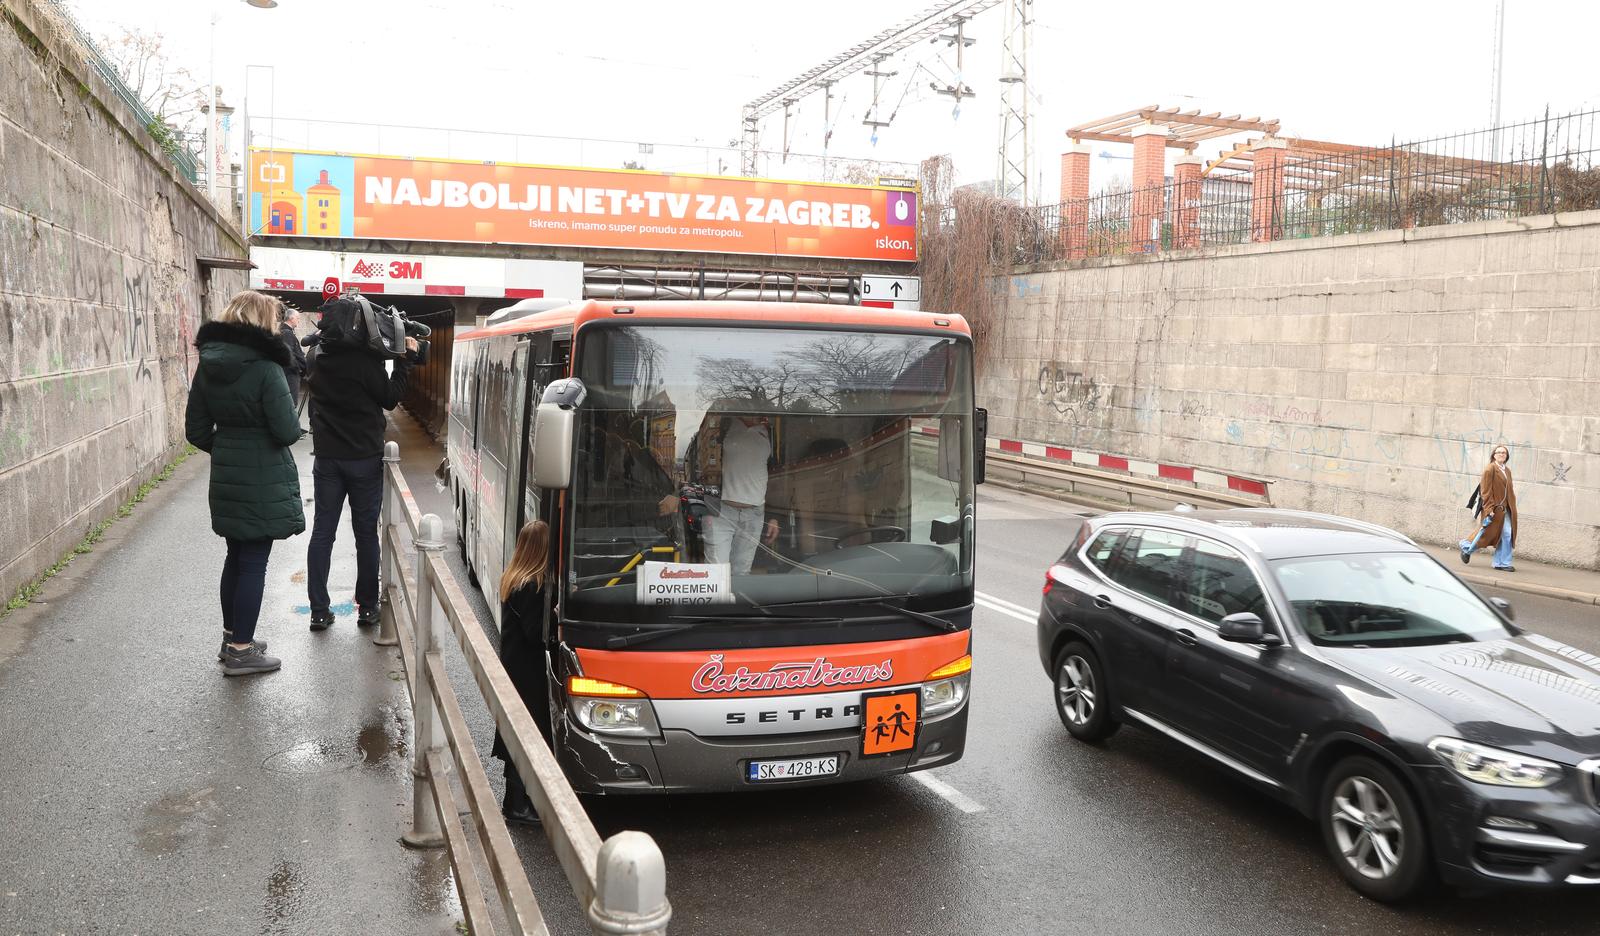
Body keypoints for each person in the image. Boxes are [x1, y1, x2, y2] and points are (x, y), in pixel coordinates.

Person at [185, 290, 305, 676]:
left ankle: (233, 636)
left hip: (227, 474)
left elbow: (196, 430)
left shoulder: (208, 365)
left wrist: (228, 448)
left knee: (236, 557)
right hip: (262, 477)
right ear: (262, 322)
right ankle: (241, 650)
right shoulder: (267, 370)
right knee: (254, 562)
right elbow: (287, 431)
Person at [304, 297, 418, 631]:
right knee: (365, 534)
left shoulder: (316, 359)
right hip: (364, 459)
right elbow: (390, 397)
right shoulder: (365, 363)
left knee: (323, 533)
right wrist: (404, 361)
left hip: (327, 458)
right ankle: (367, 608)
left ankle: (319, 611)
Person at [491, 520, 552, 826]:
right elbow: (534, 633)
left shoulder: (513, 578)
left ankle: (515, 800)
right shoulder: (533, 586)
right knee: (529, 734)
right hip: (528, 672)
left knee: (516, 733)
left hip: (513, 666)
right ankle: (516, 806)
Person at [703, 412, 780, 574]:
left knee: (741, 571)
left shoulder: (769, 428)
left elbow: (774, 474)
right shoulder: (727, 423)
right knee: (716, 573)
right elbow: (708, 457)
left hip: (755, 514)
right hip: (721, 511)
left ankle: (736, 599)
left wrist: (773, 515)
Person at [1460, 444, 1518, 571]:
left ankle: (1502, 563)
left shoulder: (1506, 470)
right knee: (1486, 534)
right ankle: (1465, 546)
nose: (1502, 454)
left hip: (1506, 510)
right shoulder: (1490, 469)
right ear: (1494, 455)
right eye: (1499, 452)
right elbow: (1485, 491)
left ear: (1507, 456)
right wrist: (1489, 509)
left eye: (1504, 453)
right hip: (1494, 509)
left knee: (1507, 534)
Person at [277, 304, 307, 411]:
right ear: (291, 318)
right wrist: (299, 368)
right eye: (297, 318)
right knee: (290, 405)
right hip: (290, 375)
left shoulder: (285, 332)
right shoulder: (287, 333)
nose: (298, 320)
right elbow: (289, 354)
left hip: (289, 373)